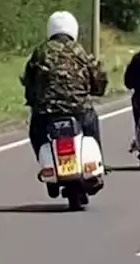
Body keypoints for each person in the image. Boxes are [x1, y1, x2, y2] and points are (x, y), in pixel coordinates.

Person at [21, 11, 109, 161]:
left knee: (36, 132)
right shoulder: (80, 51)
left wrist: (33, 100)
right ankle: (98, 162)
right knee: (91, 125)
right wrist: (96, 90)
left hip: (46, 113)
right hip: (79, 110)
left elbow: (29, 82)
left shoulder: (40, 52)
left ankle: (46, 165)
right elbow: (98, 80)